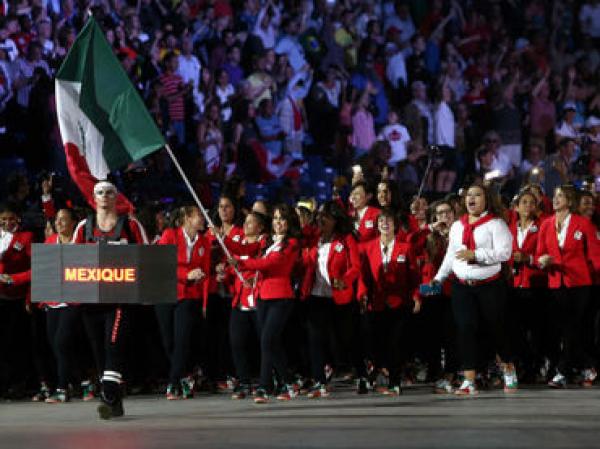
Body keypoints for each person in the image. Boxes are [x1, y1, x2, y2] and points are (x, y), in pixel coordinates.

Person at [72, 180, 148, 419]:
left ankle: (107, 394)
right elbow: (72, 260)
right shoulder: (84, 227)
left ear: (116, 197)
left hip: (120, 300)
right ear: (93, 198)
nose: (104, 196)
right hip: (91, 301)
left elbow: (147, 255)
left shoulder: (131, 225)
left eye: (109, 192)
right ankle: (115, 401)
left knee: (113, 347)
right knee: (100, 353)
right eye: (100, 193)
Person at [432, 183, 517, 396]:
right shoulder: (457, 226)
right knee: (465, 329)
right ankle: (469, 380)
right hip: (462, 287)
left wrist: (476, 255)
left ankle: (508, 367)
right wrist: (439, 278)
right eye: (469, 194)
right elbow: (451, 255)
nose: (472, 198)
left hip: (490, 286)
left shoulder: (496, 224)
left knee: (497, 328)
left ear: (486, 199)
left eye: (477, 195)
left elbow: (505, 253)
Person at [229, 204, 301, 403]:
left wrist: (242, 264)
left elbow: (272, 263)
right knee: (272, 343)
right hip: (263, 296)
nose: (278, 222)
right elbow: (244, 248)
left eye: (282, 218)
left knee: (267, 340)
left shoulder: (292, 243)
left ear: (289, 222)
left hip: (281, 297)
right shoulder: (267, 241)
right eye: (276, 218)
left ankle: (264, 386)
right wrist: (223, 237)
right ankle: (288, 382)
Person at [536, 185, 600, 388]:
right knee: (566, 330)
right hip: (555, 282)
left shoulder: (584, 224)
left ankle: (562, 372)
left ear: (570, 201)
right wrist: (542, 260)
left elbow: (596, 257)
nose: (556, 200)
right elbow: (539, 254)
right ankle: (588, 366)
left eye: (561, 196)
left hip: (579, 284)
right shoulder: (546, 224)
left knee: (572, 328)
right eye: (555, 196)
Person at [300, 201, 360, 397]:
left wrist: (345, 280)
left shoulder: (346, 239)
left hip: (339, 296)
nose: (321, 219)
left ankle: (361, 373)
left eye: (325, 216)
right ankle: (320, 381)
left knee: (345, 339)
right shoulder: (313, 238)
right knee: (315, 339)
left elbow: (355, 267)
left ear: (335, 220)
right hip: (316, 295)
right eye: (319, 216)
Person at [358, 208, 420, 396]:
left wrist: (417, 296)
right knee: (376, 343)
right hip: (375, 303)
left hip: (399, 302)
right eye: (382, 221)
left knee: (396, 343)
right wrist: (362, 294)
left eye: (389, 221)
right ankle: (376, 373)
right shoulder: (367, 247)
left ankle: (395, 382)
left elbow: (414, 277)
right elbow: (363, 276)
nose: (385, 224)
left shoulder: (405, 247)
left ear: (395, 225)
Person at [156, 205, 210, 400]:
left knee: (182, 340)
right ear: (187, 218)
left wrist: (204, 302)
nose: (203, 219)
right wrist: (185, 274)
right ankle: (185, 376)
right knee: (168, 341)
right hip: (166, 293)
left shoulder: (204, 241)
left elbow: (205, 274)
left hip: (189, 296)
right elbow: (162, 263)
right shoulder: (170, 235)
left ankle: (173, 383)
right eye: (199, 216)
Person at [222, 211, 269, 399]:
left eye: (251, 223)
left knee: (264, 343)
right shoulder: (240, 245)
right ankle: (244, 382)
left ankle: (269, 379)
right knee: (237, 342)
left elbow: (252, 259)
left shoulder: (264, 242)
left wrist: (238, 261)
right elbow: (234, 269)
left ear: (260, 227)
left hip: (259, 299)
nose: (246, 226)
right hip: (241, 300)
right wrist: (225, 272)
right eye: (245, 222)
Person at [508, 190, 547, 382]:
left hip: (536, 283)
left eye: (532, 203)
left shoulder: (542, 226)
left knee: (536, 329)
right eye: (524, 202)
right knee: (516, 329)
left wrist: (528, 258)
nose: (528, 206)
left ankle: (535, 367)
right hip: (514, 285)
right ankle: (523, 364)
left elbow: (547, 254)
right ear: (516, 207)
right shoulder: (509, 227)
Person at [43, 208, 81, 403]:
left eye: (63, 219)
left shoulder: (79, 242)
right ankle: (78, 381)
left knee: (61, 342)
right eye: (57, 219)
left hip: (73, 301)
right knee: (57, 346)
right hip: (53, 302)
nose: (58, 223)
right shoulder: (49, 242)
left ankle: (62, 388)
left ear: (73, 223)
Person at [0, 202, 33, 399]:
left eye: (10, 218)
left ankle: (19, 384)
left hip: (17, 298)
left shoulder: (26, 237)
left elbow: (34, 268)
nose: (6, 222)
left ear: (17, 219)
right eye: (3, 219)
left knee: (16, 344)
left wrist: (15, 280)